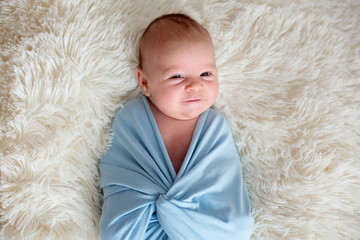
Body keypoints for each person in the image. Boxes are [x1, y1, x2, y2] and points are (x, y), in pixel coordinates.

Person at [99, 13, 254, 239]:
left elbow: (225, 182)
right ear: (145, 82)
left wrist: (180, 207)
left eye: (206, 74)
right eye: (177, 77)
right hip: (144, 221)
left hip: (201, 222)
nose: (195, 85)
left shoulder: (215, 126)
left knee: (240, 225)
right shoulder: (131, 118)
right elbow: (120, 175)